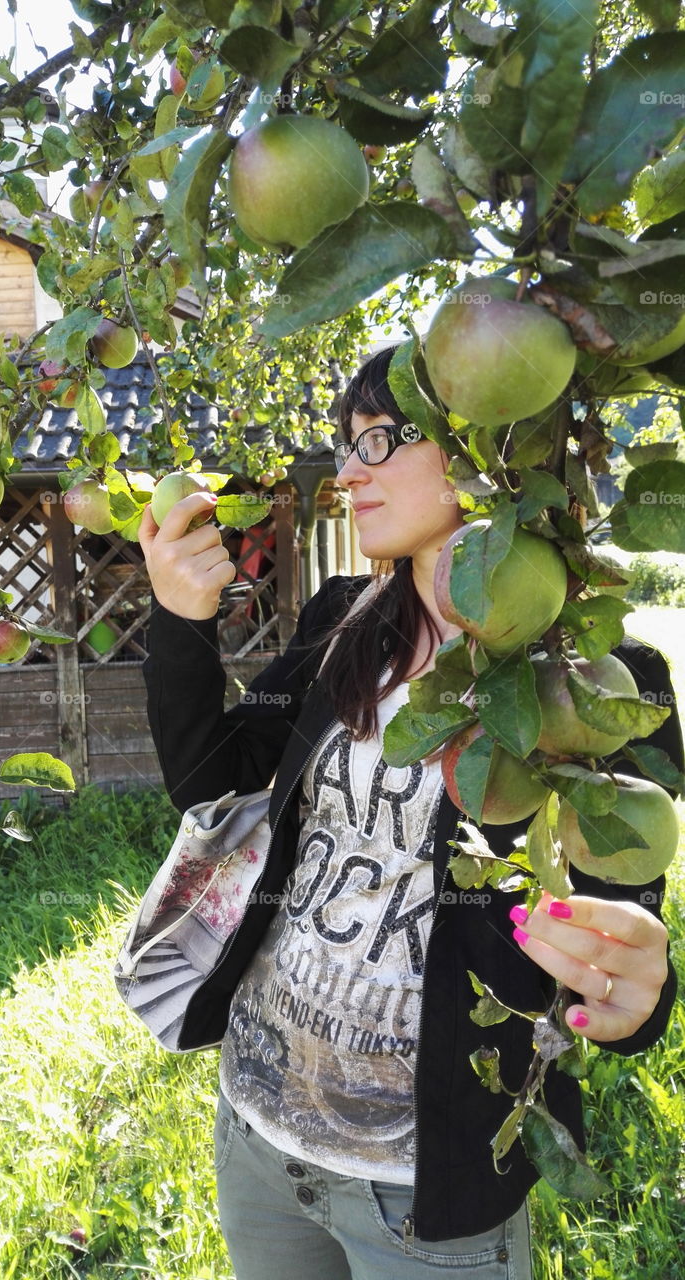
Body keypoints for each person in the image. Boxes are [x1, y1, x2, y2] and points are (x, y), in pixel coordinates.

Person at [138, 345, 682, 1280]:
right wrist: (180, 623)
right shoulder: (344, 622)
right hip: (261, 1132)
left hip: (422, 1184)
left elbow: (616, 929)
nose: (348, 471)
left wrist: (636, 993)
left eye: (383, 440)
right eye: (345, 444)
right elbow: (209, 780)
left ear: (490, 447)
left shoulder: (603, 685)